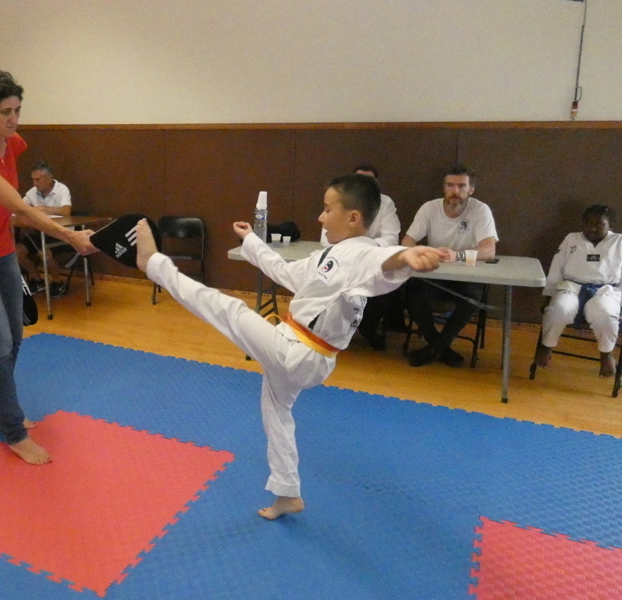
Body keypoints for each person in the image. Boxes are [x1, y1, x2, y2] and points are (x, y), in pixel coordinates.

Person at [135, 174, 444, 519]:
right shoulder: (332, 255)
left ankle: (155, 265)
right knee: (276, 410)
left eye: (328, 209)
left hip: (300, 352)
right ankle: (287, 493)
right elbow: (284, 271)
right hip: (304, 352)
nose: (321, 217)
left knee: (230, 310)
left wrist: (405, 254)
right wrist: (252, 240)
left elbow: (381, 261)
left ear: (353, 218)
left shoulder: (362, 253)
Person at [0, 69, 97, 465]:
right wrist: (70, 236)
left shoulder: (12, 144)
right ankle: (14, 432)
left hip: (1, 248)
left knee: (14, 335)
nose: (14, 119)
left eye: (17, 110)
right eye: (5, 112)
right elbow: (20, 208)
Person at [401, 164, 498, 368]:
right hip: (434, 273)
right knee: (413, 294)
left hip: (466, 276)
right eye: (450, 185)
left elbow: (489, 250)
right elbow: (407, 241)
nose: (455, 191)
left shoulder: (480, 210)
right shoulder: (429, 208)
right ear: (443, 187)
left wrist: (457, 255)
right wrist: (420, 253)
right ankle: (440, 347)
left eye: (461, 186)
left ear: (471, 190)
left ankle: (434, 349)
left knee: (472, 299)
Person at [534, 205, 622, 378]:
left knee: (605, 313)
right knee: (558, 309)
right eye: (588, 224)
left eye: (599, 224)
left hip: (605, 291)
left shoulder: (619, 242)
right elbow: (557, 267)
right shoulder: (572, 239)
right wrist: (548, 295)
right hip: (571, 287)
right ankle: (547, 345)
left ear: (611, 225)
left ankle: (606, 354)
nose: (592, 228)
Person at [321, 164, 402, 350]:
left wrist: (361, 248)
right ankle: (334, 330)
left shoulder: (385, 203)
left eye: (369, 181)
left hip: (372, 262)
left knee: (387, 282)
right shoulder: (340, 200)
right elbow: (326, 240)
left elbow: (391, 239)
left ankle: (368, 327)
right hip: (343, 262)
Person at [15, 161, 72, 295]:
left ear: (49, 178)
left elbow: (66, 211)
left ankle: (58, 283)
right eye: (33, 180)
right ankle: (37, 280)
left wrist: (44, 209)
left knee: (44, 252)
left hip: (61, 234)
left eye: (38, 179)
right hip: (41, 233)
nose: (35, 183)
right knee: (16, 251)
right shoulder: (31, 193)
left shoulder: (61, 189)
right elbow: (20, 209)